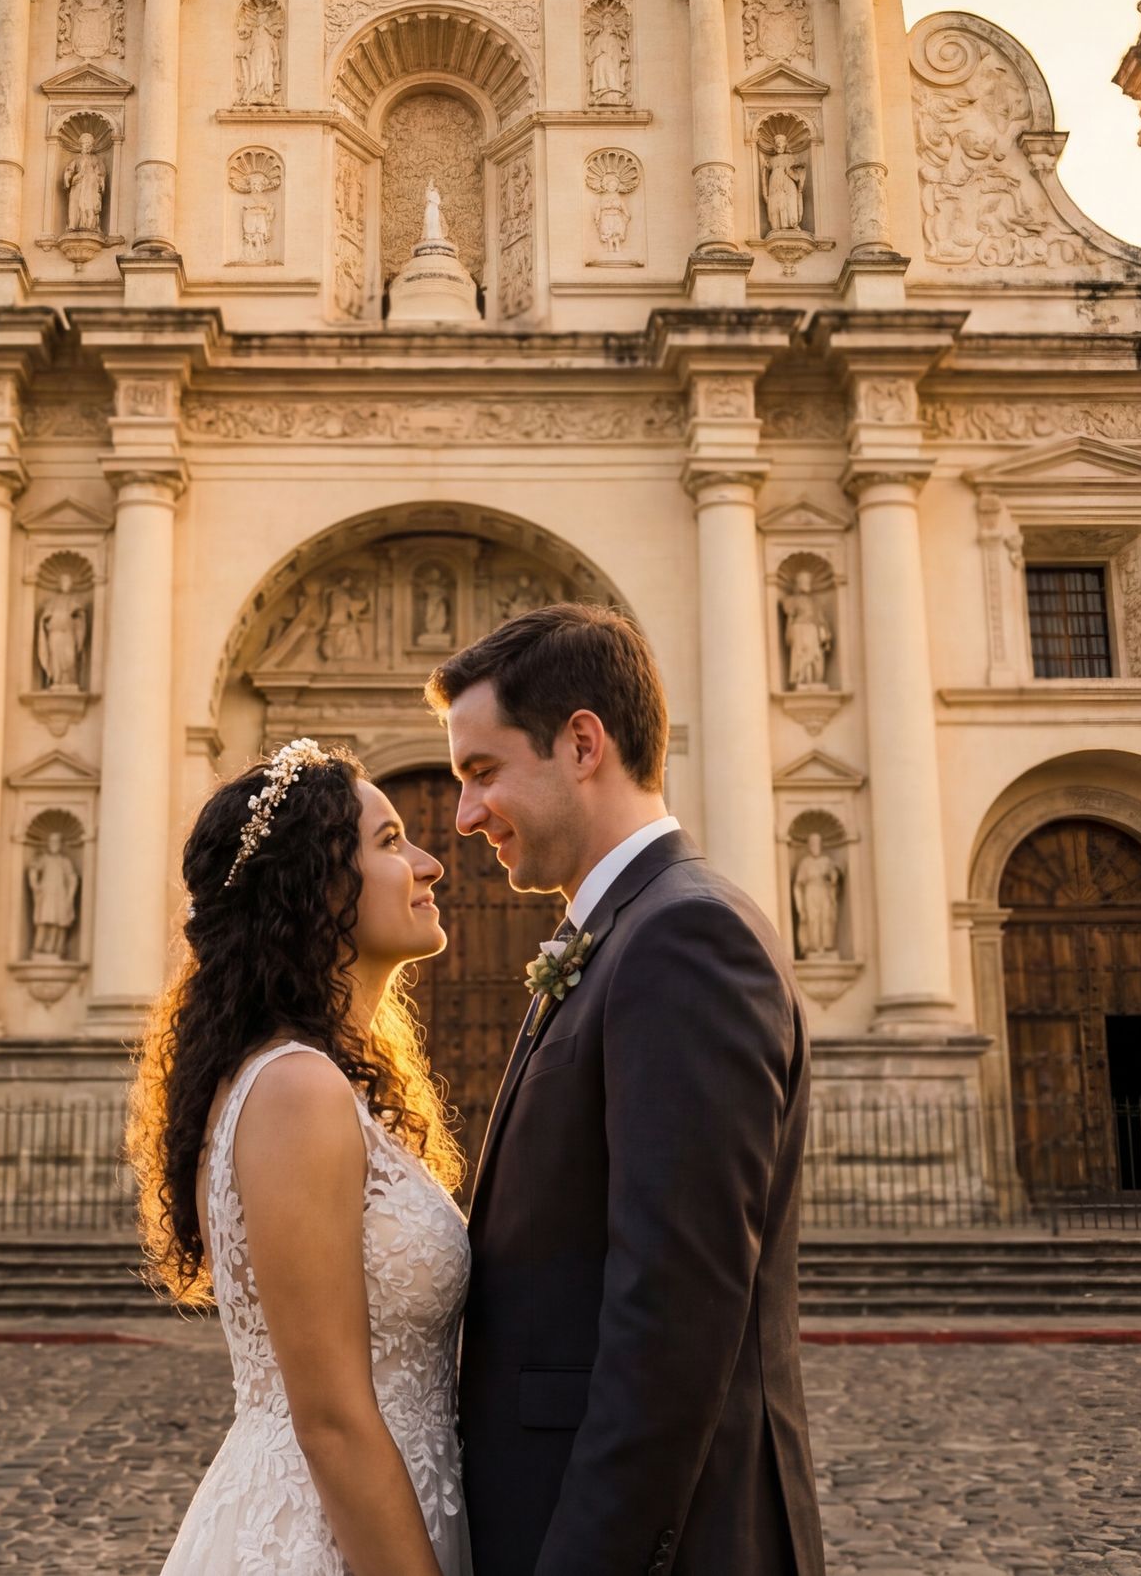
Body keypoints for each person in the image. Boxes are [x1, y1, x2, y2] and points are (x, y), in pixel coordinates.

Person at [428, 605, 824, 1574]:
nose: (466, 816)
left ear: (581, 743)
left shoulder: (684, 940)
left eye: (482, 773)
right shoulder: (626, 932)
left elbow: (672, 1321)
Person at [138, 738, 471, 1576]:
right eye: (391, 841)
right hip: (327, 1539)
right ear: (314, 884)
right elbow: (329, 1416)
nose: (431, 862)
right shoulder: (296, 1089)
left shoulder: (319, 1079)